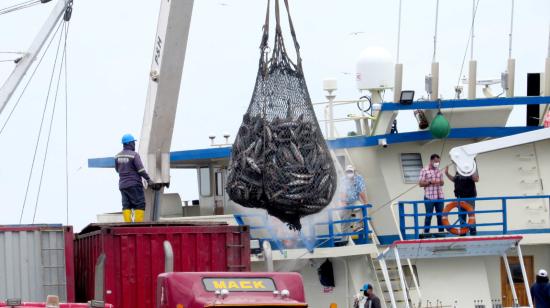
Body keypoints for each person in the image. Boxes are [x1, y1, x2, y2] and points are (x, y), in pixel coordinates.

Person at [115, 134, 154, 223]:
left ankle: (127, 224)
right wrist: (148, 179)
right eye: (133, 143)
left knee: (126, 205)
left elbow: (117, 170)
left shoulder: (117, 156)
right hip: (134, 184)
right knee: (140, 204)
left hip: (123, 185)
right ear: (129, 143)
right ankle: (137, 225)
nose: (134, 145)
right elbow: (141, 170)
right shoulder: (134, 155)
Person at [445, 165, 479, 235]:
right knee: (461, 215)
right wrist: (447, 173)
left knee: (471, 214)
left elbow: (476, 179)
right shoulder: (458, 171)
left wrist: (471, 171)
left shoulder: (470, 170)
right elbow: (454, 180)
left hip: (469, 196)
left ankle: (473, 231)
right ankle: (462, 232)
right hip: (460, 197)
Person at [418, 154, 445, 234]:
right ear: (431, 161)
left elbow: (442, 183)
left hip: (440, 196)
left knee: (440, 216)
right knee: (429, 216)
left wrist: (440, 182)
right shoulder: (424, 170)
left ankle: (441, 233)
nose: (437, 163)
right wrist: (430, 182)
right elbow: (420, 184)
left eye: (438, 162)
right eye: (436, 161)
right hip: (429, 197)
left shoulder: (439, 170)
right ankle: (426, 233)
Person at [340, 165, 368, 232]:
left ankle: (357, 226)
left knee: (360, 207)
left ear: (354, 172)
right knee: (345, 218)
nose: (349, 173)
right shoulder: (343, 179)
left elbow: (361, 191)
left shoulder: (359, 178)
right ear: (345, 172)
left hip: (355, 200)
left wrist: (365, 202)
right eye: (348, 171)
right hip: (345, 201)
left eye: (351, 171)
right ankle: (344, 237)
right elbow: (342, 192)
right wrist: (343, 203)